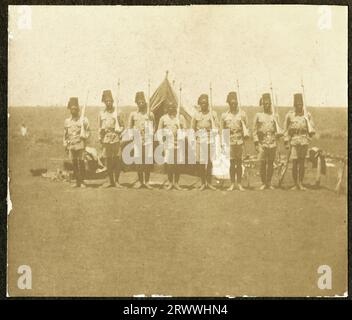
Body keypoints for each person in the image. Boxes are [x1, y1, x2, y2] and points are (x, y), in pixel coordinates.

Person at [284, 93, 315, 190]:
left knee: (302, 163)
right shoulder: (290, 115)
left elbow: (312, 128)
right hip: (294, 141)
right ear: (294, 105)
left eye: (301, 104)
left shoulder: (307, 115)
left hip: (304, 141)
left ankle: (301, 183)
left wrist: (309, 135)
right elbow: (285, 129)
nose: (299, 106)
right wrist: (286, 141)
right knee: (294, 163)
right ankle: (295, 184)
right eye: (297, 104)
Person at [220, 91, 248, 191]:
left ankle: (239, 183)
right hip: (230, 141)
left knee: (239, 163)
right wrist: (223, 144)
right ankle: (232, 183)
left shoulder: (242, 114)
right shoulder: (224, 115)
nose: (233, 105)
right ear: (229, 103)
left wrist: (245, 138)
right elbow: (222, 130)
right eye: (232, 103)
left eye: (235, 103)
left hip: (239, 141)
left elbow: (245, 128)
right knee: (232, 164)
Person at [253, 93, 281, 190]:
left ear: (270, 104)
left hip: (272, 142)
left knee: (270, 163)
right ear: (262, 104)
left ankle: (269, 182)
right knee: (262, 163)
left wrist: (278, 136)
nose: (267, 105)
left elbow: (278, 130)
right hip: (262, 142)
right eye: (265, 103)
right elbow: (254, 130)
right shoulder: (258, 115)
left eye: (268, 103)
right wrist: (256, 143)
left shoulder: (275, 116)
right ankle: (263, 182)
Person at [128, 91, 155, 189]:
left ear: (145, 102)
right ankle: (140, 181)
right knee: (139, 161)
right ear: (136, 103)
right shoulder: (133, 114)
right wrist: (132, 137)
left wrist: (150, 132)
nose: (141, 103)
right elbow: (130, 127)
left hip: (147, 140)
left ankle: (147, 181)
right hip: (137, 140)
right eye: (139, 102)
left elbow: (154, 126)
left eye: (142, 102)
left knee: (147, 161)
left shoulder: (150, 114)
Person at [191, 94, 218, 191]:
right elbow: (192, 128)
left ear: (208, 104)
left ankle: (209, 182)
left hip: (210, 140)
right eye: (202, 103)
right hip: (199, 141)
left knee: (210, 162)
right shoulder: (196, 115)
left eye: (205, 103)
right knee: (201, 163)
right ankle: (203, 183)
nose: (204, 105)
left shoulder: (213, 114)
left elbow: (217, 127)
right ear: (199, 104)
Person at [158, 100, 187, 191]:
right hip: (168, 144)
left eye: (173, 107)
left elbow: (186, 130)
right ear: (167, 108)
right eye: (169, 107)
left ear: (175, 108)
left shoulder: (180, 118)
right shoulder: (163, 118)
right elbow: (159, 132)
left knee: (178, 164)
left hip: (179, 144)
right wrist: (161, 144)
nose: (171, 109)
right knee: (170, 164)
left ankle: (177, 183)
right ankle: (170, 182)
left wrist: (180, 130)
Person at [98, 89, 125, 188]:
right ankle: (110, 181)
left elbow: (123, 126)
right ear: (104, 102)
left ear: (113, 101)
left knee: (117, 160)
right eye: (106, 101)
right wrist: (100, 138)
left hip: (116, 139)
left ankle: (117, 181)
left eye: (110, 101)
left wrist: (119, 130)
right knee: (108, 161)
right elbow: (99, 127)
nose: (108, 103)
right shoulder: (101, 113)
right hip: (106, 139)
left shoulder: (117, 112)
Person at [63, 97, 90, 188]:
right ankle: (77, 181)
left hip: (80, 144)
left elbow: (88, 131)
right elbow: (65, 134)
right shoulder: (67, 121)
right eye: (72, 109)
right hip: (71, 145)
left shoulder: (83, 120)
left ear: (78, 109)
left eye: (75, 108)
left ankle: (82, 181)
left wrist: (85, 136)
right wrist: (65, 144)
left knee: (81, 162)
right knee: (74, 163)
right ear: (69, 109)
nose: (73, 110)